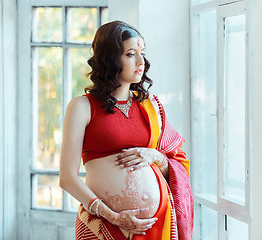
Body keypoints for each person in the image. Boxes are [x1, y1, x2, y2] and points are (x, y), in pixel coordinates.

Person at [59, 20, 194, 240]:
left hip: (155, 226)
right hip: (101, 225)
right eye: (131, 54)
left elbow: (177, 163)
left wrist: (156, 157)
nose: (141, 61)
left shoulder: (152, 106)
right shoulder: (82, 106)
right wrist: (111, 215)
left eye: (142, 53)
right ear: (110, 59)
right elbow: (66, 177)